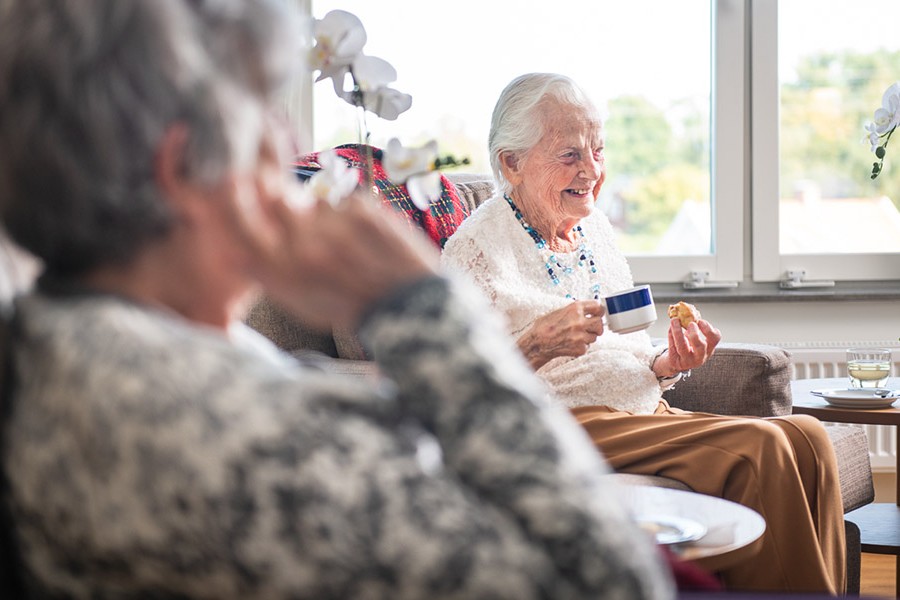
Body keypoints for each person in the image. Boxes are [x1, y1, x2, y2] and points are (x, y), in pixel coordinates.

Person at [0, 3, 674, 599]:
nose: (288, 152)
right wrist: (424, 309)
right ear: (181, 170)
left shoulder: (55, 342)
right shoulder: (224, 430)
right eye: (261, 116)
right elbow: (612, 582)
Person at [441, 72, 846, 594]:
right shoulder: (474, 249)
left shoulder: (594, 230)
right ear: (511, 163)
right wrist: (535, 345)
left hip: (639, 411)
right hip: (562, 420)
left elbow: (623, 347)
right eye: (570, 155)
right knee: (760, 446)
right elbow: (454, 391)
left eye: (599, 151)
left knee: (810, 437)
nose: (593, 171)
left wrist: (667, 363)